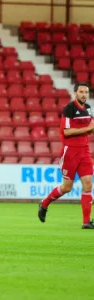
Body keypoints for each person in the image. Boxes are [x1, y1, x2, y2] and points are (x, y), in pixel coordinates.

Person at [38, 82, 94, 229]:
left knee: (88, 185)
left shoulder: (88, 108)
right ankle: (45, 203)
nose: (84, 95)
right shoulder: (69, 109)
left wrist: (91, 128)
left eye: (86, 92)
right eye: (81, 92)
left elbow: (90, 128)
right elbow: (67, 132)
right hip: (70, 151)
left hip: (85, 151)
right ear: (75, 93)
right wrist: (88, 128)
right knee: (67, 187)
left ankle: (86, 222)